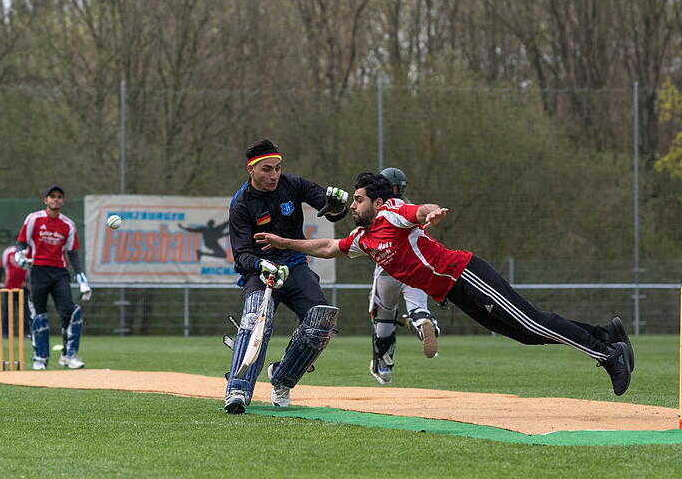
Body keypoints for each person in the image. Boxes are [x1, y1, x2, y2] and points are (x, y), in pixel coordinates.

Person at [255, 172, 635, 396]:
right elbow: (324, 246)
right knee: (526, 334)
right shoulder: (364, 238)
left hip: (465, 274)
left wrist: (430, 212)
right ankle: (607, 335)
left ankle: (608, 355)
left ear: (376, 200)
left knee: (533, 322)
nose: (353, 206)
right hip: (454, 291)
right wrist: (285, 242)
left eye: (358, 200)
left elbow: (416, 210)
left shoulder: (390, 211)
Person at [224, 139, 349, 414]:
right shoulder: (241, 204)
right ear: (251, 170)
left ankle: (281, 378)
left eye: (278, 168)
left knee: (321, 320)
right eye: (267, 169)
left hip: (294, 265)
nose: (274, 175)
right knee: (255, 318)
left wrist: (338, 206)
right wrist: (261, 265)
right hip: (260, 272)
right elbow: (242, 255)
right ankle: (237, 389)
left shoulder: (293, 184)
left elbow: (330, 210)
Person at [367, 167, 439, 384]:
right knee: (418, 308)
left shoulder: (376, 208)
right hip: (415, 268)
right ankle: (423, 322)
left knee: (385, 316)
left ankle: (383, 363)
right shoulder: (407, 205)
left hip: (387, 269)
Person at [15, 185, 92, 370]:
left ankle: (69, 356)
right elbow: (21, 242)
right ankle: (39, 358)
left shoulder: (68, 225)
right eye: (52, 197)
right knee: (39, 315)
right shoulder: (34, 219)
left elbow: (73, 253)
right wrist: (20, 255)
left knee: (70, 312)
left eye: (59, 197)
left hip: (59, 273)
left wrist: (82, 279)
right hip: (38, 271)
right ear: (46, 200)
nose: (56, 199)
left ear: (62, 201)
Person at [0, 245, 31, 337]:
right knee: (7, 311)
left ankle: (26, 332)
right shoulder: (8, 252)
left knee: (26, 312)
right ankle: (5, 333)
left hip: (23, 288)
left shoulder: (28, 253)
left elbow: (31, 268)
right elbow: (1, 267)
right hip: (9, 287)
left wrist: (28, 282)